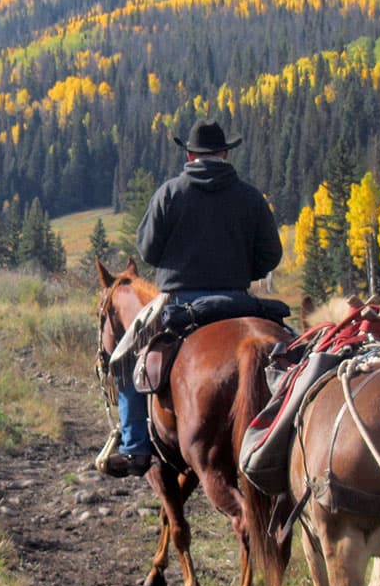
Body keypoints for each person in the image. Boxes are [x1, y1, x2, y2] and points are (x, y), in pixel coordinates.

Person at [101, 119, 283, 477]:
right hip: (239, 300)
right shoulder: (249, 196)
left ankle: (136, 447)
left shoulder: (170, 192)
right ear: (226, 153)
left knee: (125, 359)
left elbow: (149, 252)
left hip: (180, 302)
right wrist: (244, 267)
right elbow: (270, 256)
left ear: (190, 154)